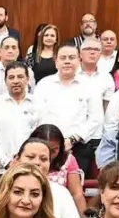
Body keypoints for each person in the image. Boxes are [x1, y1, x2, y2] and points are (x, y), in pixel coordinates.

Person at [33, 44, 103, 175]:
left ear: (79, 60)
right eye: (63, 57)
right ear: (56, 62)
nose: (67, 61)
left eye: (71, 57)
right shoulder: (44, 84)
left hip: (79, 147)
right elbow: (36, 115)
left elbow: (96, 118)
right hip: (47, 146)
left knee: (75, 188)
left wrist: (72, 140)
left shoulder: (90, 86)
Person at [0, 62, 36, 172]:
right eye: (11, 77)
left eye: (20, 77)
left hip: (33, 168)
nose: (16, 81)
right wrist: (7, 163)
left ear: (27, 79)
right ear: (5, 81)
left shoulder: (37, 103)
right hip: (3, 170)